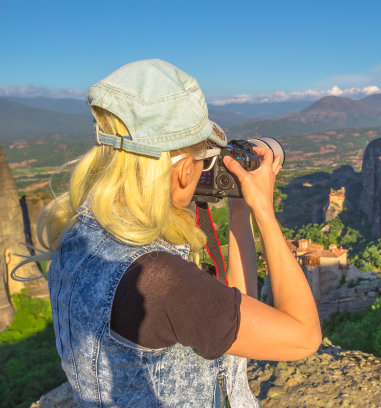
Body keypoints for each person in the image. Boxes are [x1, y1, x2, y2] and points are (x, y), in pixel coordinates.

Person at [31, 59, 321, 407]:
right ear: (184, 171)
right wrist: (265, 213)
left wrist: (239, 209)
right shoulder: (159, 280)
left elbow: (236, 308)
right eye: (203, 158)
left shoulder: (78, 234)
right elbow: (303, 336)